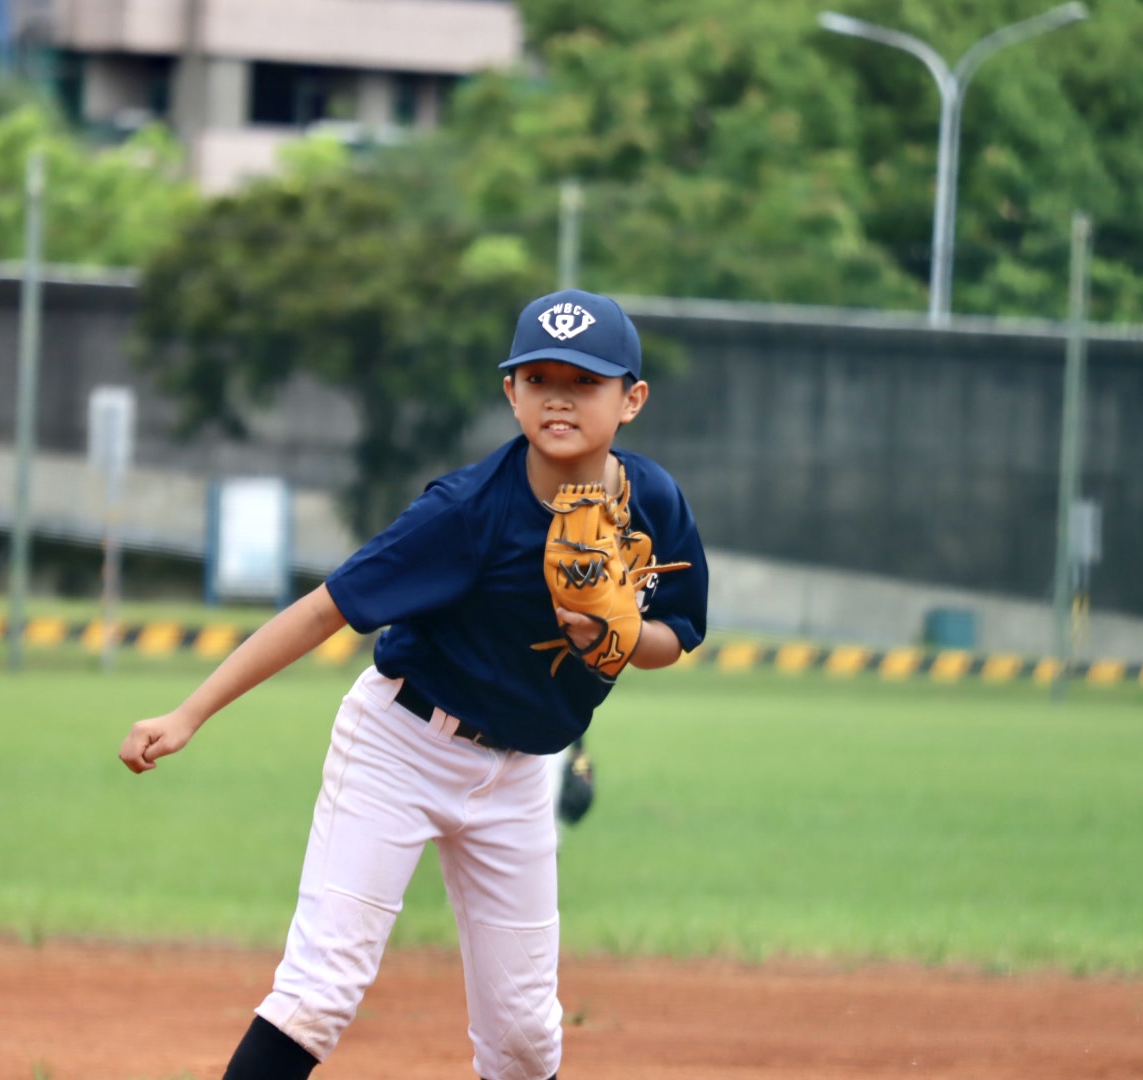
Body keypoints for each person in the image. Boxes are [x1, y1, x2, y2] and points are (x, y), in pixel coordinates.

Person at [117, 288, 709, 1080]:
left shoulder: (654, 502)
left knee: (526, 1040)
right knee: (319, 994)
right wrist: (191, 712)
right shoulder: (464, 513)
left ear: (631, 399)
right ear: (511, 392)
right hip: (401, 748)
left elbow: (677, 635)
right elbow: (325, 609)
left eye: (585, 381)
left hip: (522, 773)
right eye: (539, 378)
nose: (559, 398)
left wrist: (621, 633)